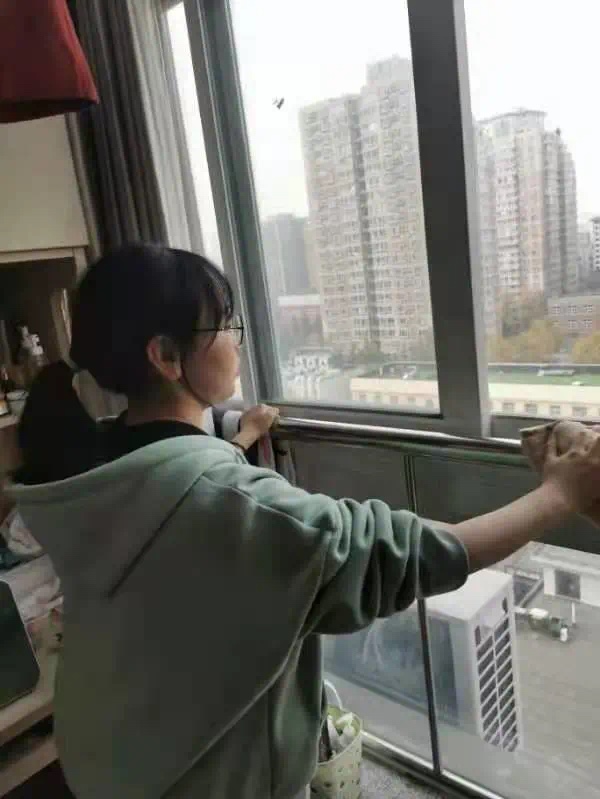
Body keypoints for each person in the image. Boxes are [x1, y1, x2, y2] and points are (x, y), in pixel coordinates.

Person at [10, 243, 600, 799]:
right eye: (224, 327)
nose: (236, 343)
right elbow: (404, 555)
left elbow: (187, 497)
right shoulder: (226, 502)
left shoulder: (97, 471)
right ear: (166, 357)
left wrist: (242, 440)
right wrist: (560, 494)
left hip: (110, 762)